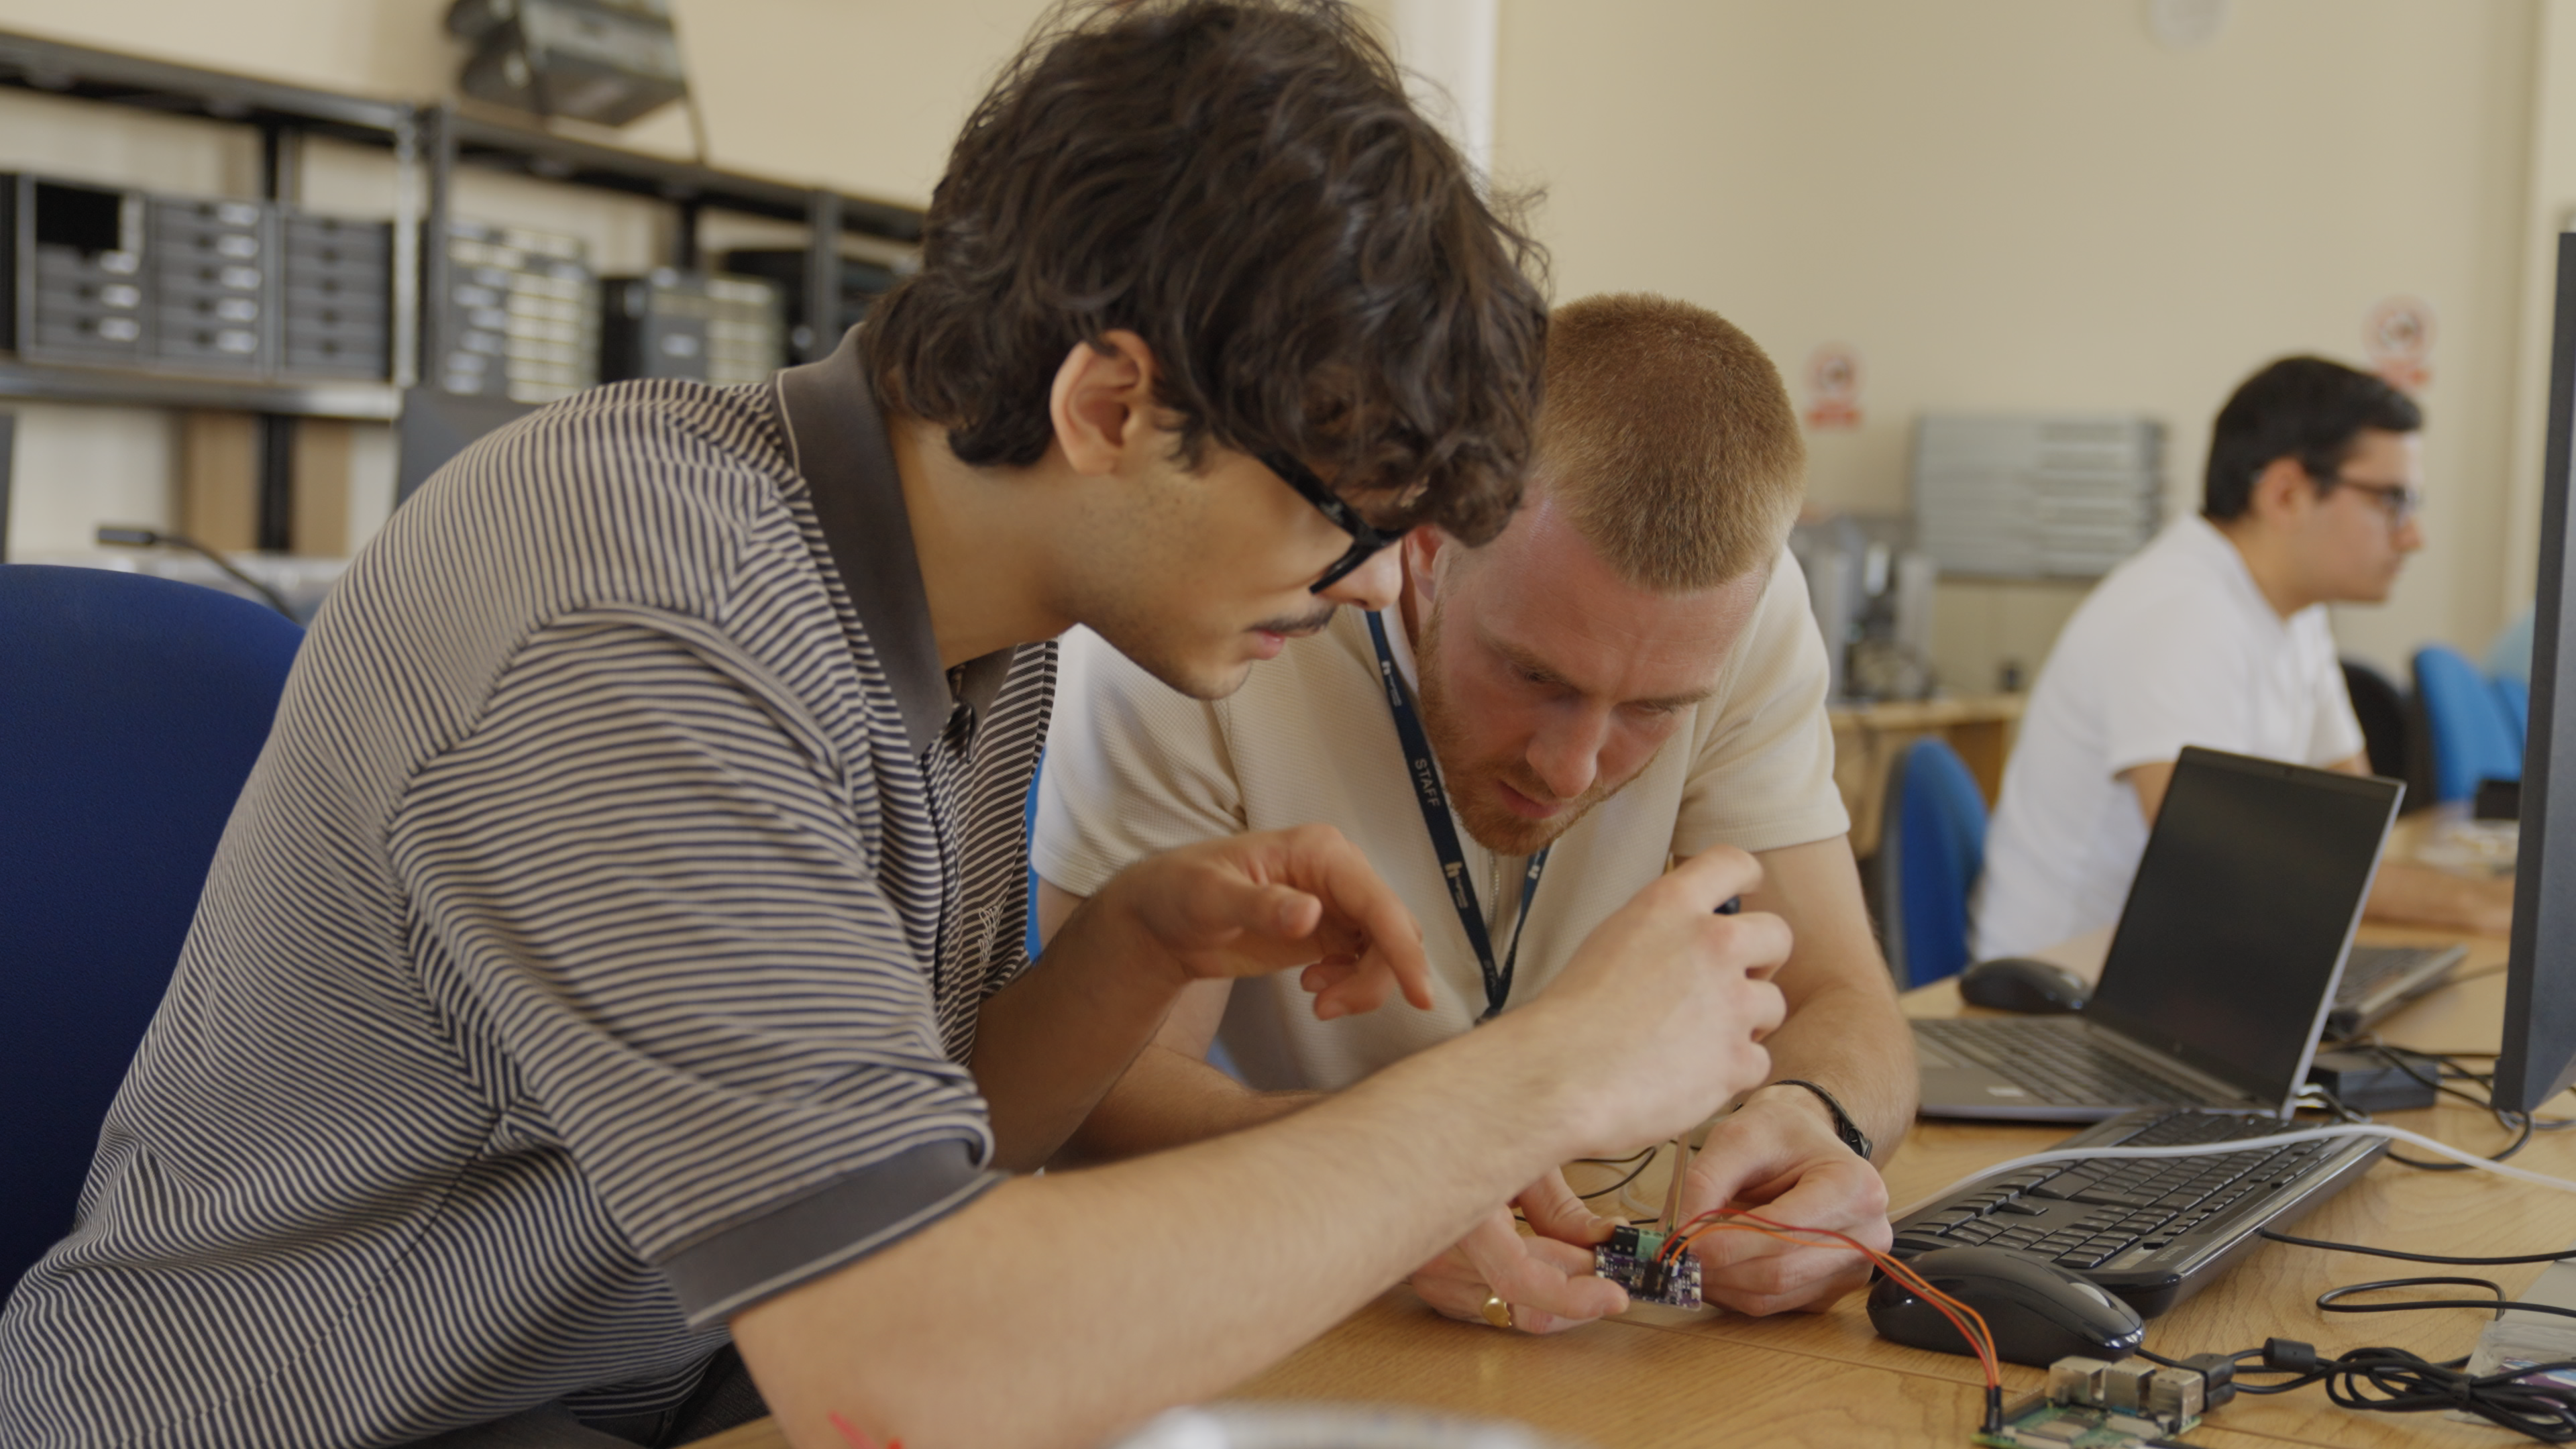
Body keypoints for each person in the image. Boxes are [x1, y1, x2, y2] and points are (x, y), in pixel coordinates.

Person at [0, 7, 1796, 1449]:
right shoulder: (641, 628)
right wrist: (1541, 1079)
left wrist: (1113, 965)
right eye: (1348, 515)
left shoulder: (961, 600)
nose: (1365, 589)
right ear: (1112, 404)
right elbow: (918, 1368)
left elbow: (864, 1196)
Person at [1035, 293, 1917, 1334]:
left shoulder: (1741, 616)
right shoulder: (1215, 619)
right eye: (1534, 674)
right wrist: (1394, 1170)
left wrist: (1816, 1122)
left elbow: (1849, 1001)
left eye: (1654, 711)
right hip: (1294, 1303)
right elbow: (1095, 1091)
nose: (1572, 764)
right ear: (1424, 543)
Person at [1975, 355, 2514, 961]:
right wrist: (2479, 904)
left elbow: (2351, 827)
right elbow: (2220, 867)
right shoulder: (2179, 612)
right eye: (2393, 500)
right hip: (2063, 998)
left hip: (2202, 964)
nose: (2414, 535)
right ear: (2286, 494)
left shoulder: (2295, 608)